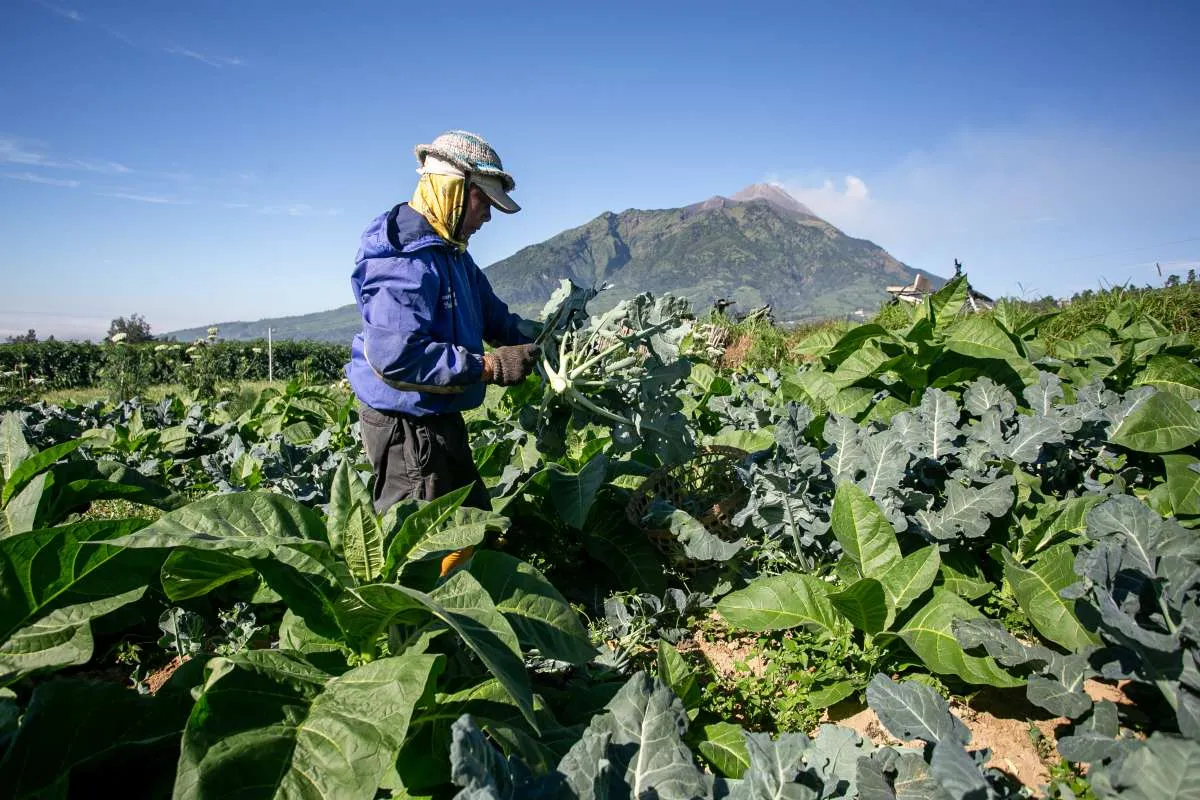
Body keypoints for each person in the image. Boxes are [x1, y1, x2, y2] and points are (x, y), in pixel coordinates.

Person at [347, 130, 540, 571]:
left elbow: (494, 317)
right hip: (406, 427)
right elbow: (397, 358)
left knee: (472, 522)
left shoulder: (452, 255)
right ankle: (421, 633)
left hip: (437, 414)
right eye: (484, 204)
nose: (488, 218)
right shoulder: (403, 260)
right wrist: (489, 366)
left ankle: (476, 612)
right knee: (422, 547)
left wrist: (536, 338)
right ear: (454, 191)